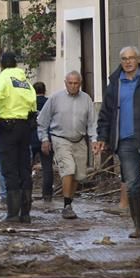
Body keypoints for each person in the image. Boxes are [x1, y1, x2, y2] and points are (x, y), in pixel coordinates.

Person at [94, 46, 140, 238]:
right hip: (125, 142)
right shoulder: (115, 83)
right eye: (124, 59)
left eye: (131, 58)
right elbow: (106, 113)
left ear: (138, 59)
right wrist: (102, 136)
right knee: (132, 184)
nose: (128, 62)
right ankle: (138, 227)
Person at [37, 72, 97, 220]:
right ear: (65, 83)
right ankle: (66, 205)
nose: (73, 86)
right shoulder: (55, 98)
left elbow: (92, 122)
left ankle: (69, 201)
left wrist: (94, 140)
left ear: (80, 83)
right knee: (68, 169)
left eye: (76, 83)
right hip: (60, 138)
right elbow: (42, 120)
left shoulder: (86, 99)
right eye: (70, 83)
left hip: (79, 139)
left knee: (79, 175)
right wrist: (44, 139)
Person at [0, 52, 37, 223]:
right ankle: (26, 213)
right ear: (16, 64)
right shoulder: (24, 80)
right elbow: (33, 101)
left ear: (1, 64)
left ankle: (13, 213)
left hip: (8, 127)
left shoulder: (2, 78)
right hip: (25, 126)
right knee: (24, 168)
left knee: (10, 169)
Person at [29, 82, 54, 202]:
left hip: (31, 138)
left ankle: (26, 192)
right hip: (46, 139)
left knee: (26, 167)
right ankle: (47, 194)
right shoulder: (49, 103)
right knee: (47, 167)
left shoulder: (30, 103)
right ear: (45, 90)